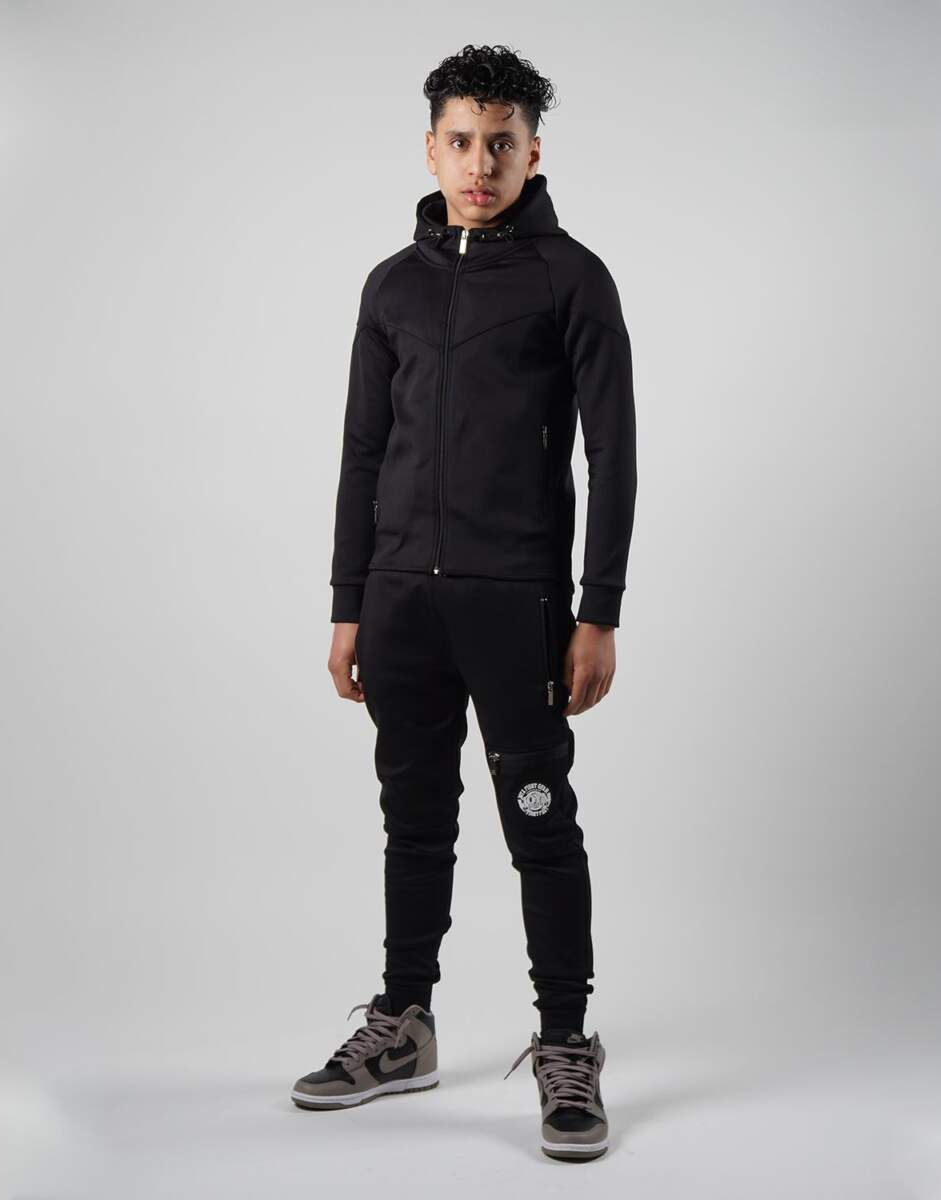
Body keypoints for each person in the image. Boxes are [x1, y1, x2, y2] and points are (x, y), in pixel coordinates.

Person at [291, 43, 637, 1163]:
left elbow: (612, 456)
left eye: (501, 143)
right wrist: (349, 600)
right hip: (401, 603)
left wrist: (598, 611)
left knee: (539, 820)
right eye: (461, 141)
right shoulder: (391, 286)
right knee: (414, 817)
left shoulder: (572, 280)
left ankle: (566, 1040)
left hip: (517, 602)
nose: (479, 164)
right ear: (430, 148)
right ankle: (404, 1023)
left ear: (534, 152)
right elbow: (361, 452)